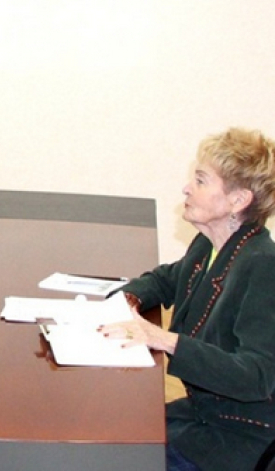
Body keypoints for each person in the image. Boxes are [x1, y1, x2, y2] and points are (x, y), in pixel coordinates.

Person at [100, 128, 275, 471]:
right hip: (202, 416)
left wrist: (163, 339)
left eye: (201, 180)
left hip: (239, 437)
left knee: (119, 457)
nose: (186, 188)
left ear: (238, 200)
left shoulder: (264, 266)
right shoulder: (210, 244)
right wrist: (128, 299)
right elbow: (168, 278)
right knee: (114, 434)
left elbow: (256, 376)